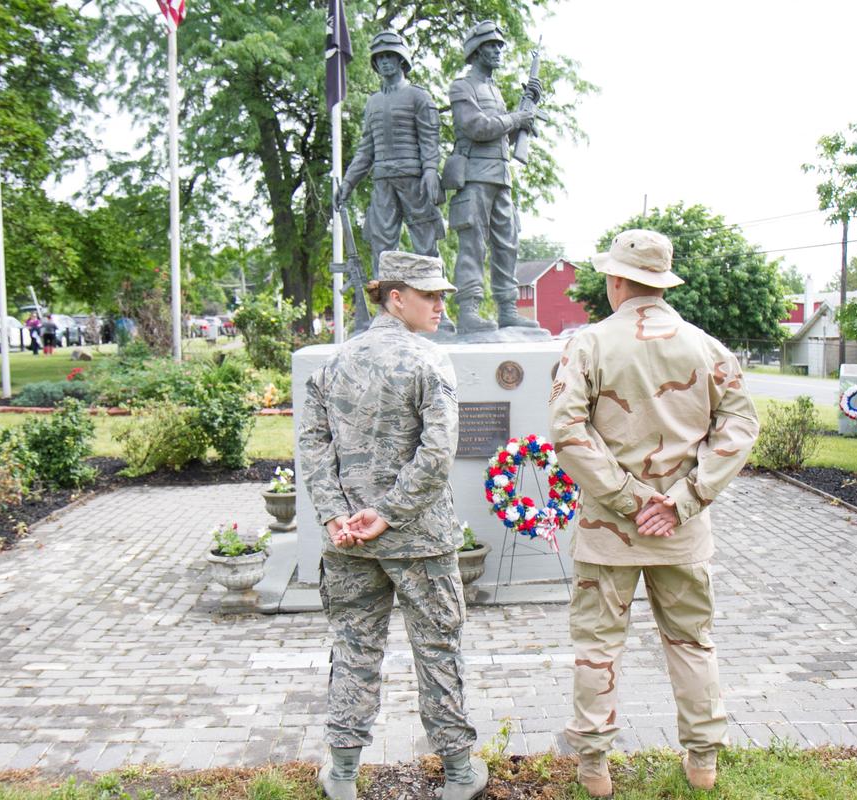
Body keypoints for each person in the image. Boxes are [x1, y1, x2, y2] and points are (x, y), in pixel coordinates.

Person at [548, 229, 760, 795]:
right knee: (692, 643)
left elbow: (567, 431)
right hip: (680, 533)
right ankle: (703, 761)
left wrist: (628, 499)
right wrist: (683, 501)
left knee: (598, 648)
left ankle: (594, 766)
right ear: (663, 282)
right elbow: (740, 426)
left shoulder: (588, 345)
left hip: (607, 531)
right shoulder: (708, 348)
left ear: (616, 281)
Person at [299, 250, 486, 800]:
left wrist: (337, 513)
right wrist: (388, 514)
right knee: (437, 652)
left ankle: (341, 774)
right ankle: (458, 775)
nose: (441, 305)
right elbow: (438, 451)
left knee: (354, 651)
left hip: (351, 542)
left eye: (443, 295)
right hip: (419, 540)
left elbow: (313, 444)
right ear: (395, 298)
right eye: (430, 295)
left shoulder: (335, 362)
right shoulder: (429, 360)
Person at [445, 20, 541, 334]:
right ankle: (469, 310)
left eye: (500, 45)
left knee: (507, 243)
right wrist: (517, 118)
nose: (499, 50)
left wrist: (525, 117)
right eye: (492, 45)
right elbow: (476, 127)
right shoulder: (462, 87)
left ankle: (508, 309)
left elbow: (500, 135)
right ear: (476, 50)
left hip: (501, 177)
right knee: (473, 244)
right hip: (474, 176)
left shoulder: (495, 91)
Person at [337, 32, 445, 279]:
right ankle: (385, 300)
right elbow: (366, 149)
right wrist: (348, 183)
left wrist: (430, 170)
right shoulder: (373, 102)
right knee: (382, 246)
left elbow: (430, 139)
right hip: (383, 181)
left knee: (426, 243)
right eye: (380, 57)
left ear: (401, 59)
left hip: (414, 180)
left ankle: (434, 298)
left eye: (390, 56)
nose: (385, 61)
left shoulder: (419, 96)